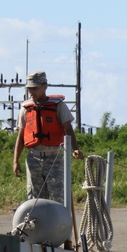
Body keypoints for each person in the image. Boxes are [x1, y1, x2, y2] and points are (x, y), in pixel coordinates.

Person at [13, 71, 83, 202]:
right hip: (33, 158)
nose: (31, 91)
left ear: (45, 86)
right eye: (29, 88)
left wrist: (75, 149)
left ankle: (61, 222)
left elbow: (68, 129)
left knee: (59, 197)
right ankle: (39, 222)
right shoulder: (25, 109)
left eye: (35, 88)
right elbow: (21, 136)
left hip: (54, 157)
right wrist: (15, 161)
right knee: (35, 200)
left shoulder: (58, 106)